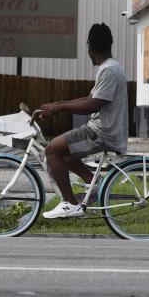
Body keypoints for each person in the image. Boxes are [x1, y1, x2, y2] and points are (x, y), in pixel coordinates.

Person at [38, 23, 129, 219]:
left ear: (90, 47)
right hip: (103, 129)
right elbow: (89, 99)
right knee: (65, 156)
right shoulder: (110, 67)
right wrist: (57, 104)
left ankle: (70, 204)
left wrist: (60, 108)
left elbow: (93, 105)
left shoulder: (109, 71)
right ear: (110, 44)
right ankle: (94, 184)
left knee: (52, 150)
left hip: (102, 131)